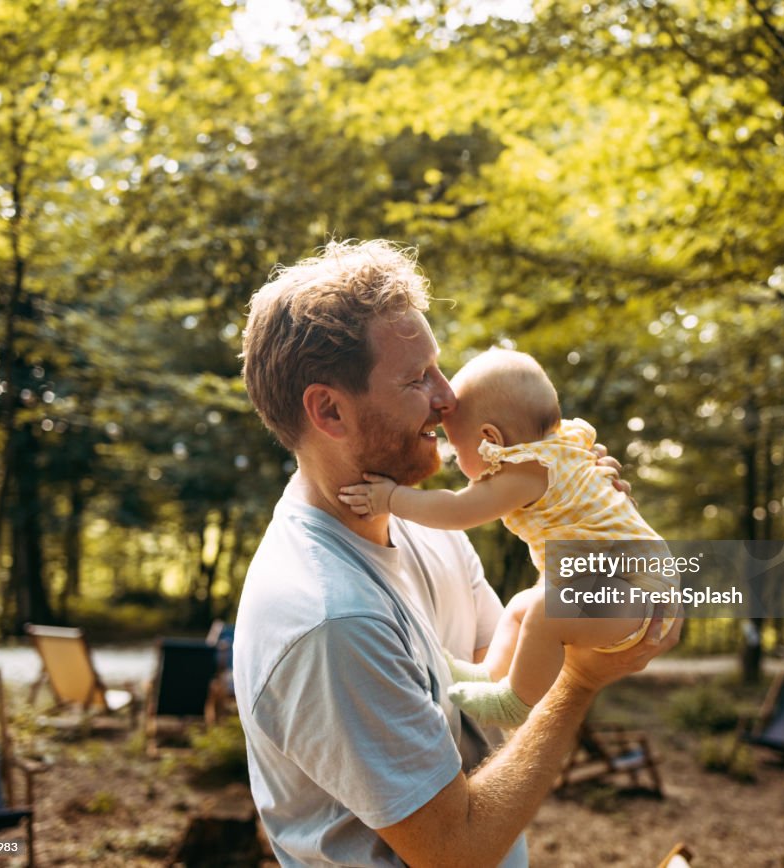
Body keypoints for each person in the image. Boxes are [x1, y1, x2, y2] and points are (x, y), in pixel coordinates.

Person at [236, 239, 680, 867]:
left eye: (438, 368)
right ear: (329, 410)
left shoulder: (429, 529)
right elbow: (456, 854)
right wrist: (581, 684)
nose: (448, 400)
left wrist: (583, 517)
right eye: (418, 380)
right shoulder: (331, 620)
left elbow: (506, 705)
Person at [338, 348, 678, 728]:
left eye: (456, 446)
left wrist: (391, 498)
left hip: (635, 590)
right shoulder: (562, 447)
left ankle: (514, 704)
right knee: (521, 607)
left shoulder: (525, 469)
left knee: (544, 612)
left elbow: (457, 511)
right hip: (632, 583)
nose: (453, 457)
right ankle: (491, 675)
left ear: (491, 439)